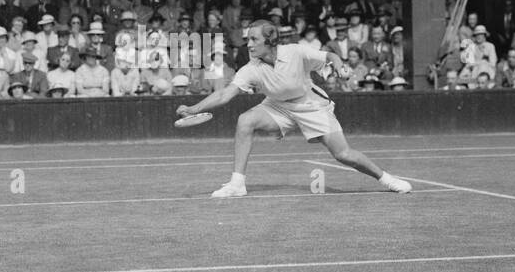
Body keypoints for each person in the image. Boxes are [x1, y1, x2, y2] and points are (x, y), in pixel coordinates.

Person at [174, 21, 412, 198]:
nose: (249, 44)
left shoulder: (296, 52)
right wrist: (194, 107)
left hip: (310, 105)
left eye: (254, 40)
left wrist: (340, 66)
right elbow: (225, 93)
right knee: (245, 121)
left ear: (270, 41)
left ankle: (387, 179)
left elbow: (329, 55)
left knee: (343, 154)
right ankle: (237, 183)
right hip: (277, 106)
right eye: (248, 39)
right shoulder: (251, 67)